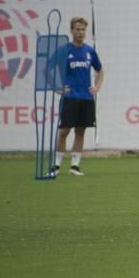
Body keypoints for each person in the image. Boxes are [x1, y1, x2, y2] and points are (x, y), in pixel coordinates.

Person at [53, 17, 104, 176]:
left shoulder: (89, 51)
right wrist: (57, 87)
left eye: (83, 29)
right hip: (70, 97)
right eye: (77, 29)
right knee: (63, 132)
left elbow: (100, 70)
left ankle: (75, 166)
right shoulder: (64, 50)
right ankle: (56, 166)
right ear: (72, 30)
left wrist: (97, 87)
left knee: (80, 132)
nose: (80, 32)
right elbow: (47, 69)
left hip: (86, 98)